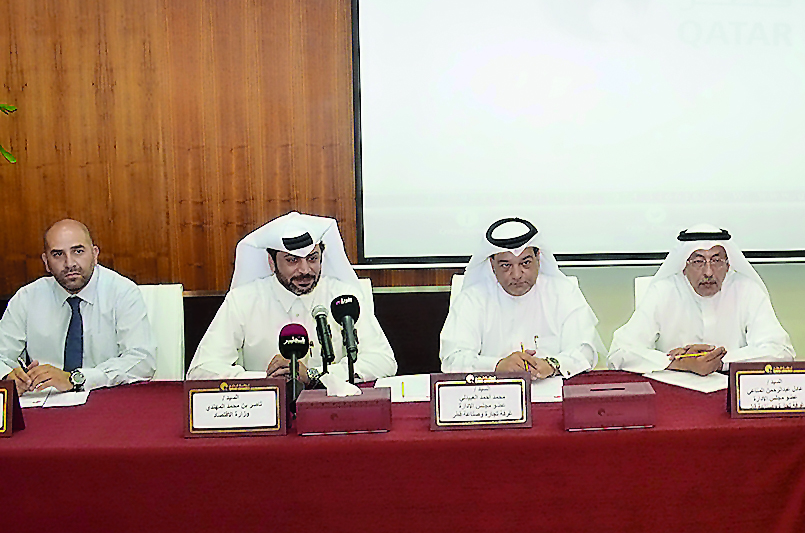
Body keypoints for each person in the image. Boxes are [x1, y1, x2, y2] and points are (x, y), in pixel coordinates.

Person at [188, 212, 396, 384]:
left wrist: (316, 376)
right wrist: (269, 379)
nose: (305, 270)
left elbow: (383, 360)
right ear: (271, 262)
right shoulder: (243, 300)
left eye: (312, 258)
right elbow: (201, 370)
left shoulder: (343, 298)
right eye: (292, 260)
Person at [608, 225, 794, 376]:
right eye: (698, 262)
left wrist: (720, 362)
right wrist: (680, 363)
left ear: (728, 265)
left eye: (716, 261)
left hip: (730, 392)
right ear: (683, 265)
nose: (708, 272)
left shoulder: (746, 289)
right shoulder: (663, 291)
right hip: (674, 392)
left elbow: (781, 351)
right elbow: (619, 353)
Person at [0, 219, 156, 394]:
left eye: (78, 251)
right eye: (58, 254)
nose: (69, 263)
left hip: (105, 398)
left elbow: (142, 360)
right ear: (46, 262)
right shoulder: (27, 298)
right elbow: (2, 354)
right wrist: (8, 377)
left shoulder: (122, 292)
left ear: (95, 254)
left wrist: (76, 379)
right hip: (44, 399)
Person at [439, 217, 604, 378]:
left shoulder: (563, 292)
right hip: (492, 393)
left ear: (538, 258)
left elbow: (585, 350)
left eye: (525, 263)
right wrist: (496, 366)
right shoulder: (473, 299)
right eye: (506, 265)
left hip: (553, 389)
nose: (517, 274)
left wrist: (552, 364)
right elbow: (452, 359)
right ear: (492, 264)